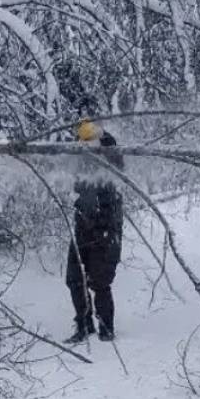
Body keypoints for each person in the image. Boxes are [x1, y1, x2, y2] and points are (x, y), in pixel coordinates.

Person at [64, 120, 125, 344]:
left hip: (106, 229)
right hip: (82, 226)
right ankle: (84, 325)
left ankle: (106, 328)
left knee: (100, 281)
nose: (83, 146)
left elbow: (112, 187)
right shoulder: (79, 158)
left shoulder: (111, 155)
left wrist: (103, 147)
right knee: (74, 279)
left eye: (87, 142)